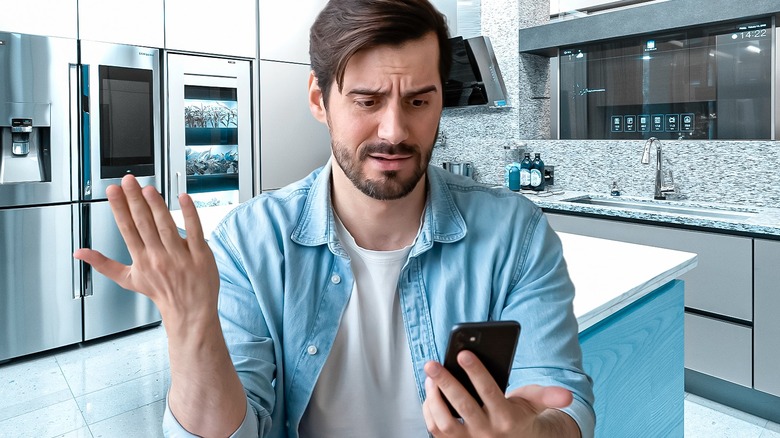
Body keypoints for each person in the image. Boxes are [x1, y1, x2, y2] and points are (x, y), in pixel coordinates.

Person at [74, 0, 595, 436]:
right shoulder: (251, 244)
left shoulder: (516, 235)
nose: (394, 130)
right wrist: (191, 325)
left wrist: (530, 429)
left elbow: (562, 402)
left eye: (419, 100)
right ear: (319, 100)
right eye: (367, 100)